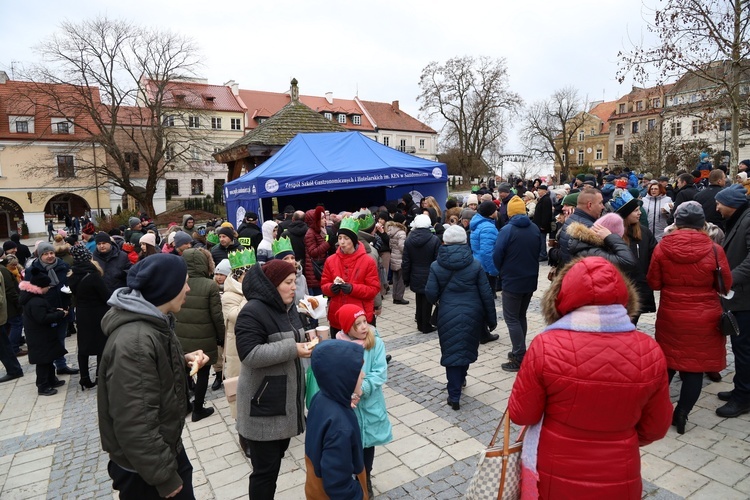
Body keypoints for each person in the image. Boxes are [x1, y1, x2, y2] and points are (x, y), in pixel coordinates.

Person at [509, 257, 672, 498]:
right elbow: (656, 427)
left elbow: (522, 413)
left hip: (555, 467)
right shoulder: (649, 350)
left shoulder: (546, 345)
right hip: (620, 471)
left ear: (561, 295)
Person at [98, 253, 209, 499]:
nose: (189, 289)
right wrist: (164, 477)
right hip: (145, 471)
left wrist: (182, 360)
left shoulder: (152, 323)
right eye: (185, 283)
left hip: (163, 451)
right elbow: (135, 422)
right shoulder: (135, 341)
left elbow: (147, 377)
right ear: (166, 288)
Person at [647, 201, 731, 432]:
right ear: (702, 223)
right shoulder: (715, 250)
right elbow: (725, 286)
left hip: (672, 314)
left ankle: (657, 411)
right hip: (705, 316)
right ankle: (681, 414)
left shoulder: (662, 247)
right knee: (694, 367)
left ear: (677, 222)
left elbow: (653, 282)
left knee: (667, 363)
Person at [235, 259, 311, 498]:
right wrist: (294, 349)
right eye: (288, 282)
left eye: (294, 282)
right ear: (272, 284)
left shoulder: (287, 306)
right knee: (265, 472)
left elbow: (295, 337)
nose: (293, 287)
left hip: (283, 401)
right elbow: (249, 354)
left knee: (274, 464)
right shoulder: (252, 311)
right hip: (263, 406)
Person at [425, 225, 496, 409]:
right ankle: (461, 379)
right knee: (465, 348)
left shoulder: (435, 266)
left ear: (444, 242)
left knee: (452, 351)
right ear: (465, 241)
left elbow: (431, 294)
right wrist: (491, 319)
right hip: (473, 313)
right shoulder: (475, 264)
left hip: (447, 313)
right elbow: (486, 293)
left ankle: (454, 395)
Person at [334, 304, 393, 497]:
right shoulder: (339, 345)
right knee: (350, 443)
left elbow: (379, 371)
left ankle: (365, 476)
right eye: (357, 324)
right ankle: (353, 476)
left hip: (368, 404)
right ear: (346, 328)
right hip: (348, 406)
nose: (363, 327)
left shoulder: (375, 342)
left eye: (364, 321)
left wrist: (362, 389)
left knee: (367, 443)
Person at [304, 340, 368, 499]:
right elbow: (338, 484)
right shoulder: (339, 426)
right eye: (358, 371)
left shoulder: (321, 398)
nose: (363, 374)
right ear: (343, 376)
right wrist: (358, 495)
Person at [174, 248, 225, 422]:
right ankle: (198, 409)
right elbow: (217, 316)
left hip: (181, 335)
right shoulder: (209, 284)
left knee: (184, 369)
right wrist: (222, 337)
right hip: (205, 336)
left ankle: (185, 406)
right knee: (203, 372)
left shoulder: (178, 282)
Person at [493, 196, 542, 372]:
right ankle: (519, 350)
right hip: (530, 279)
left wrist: (501, 271)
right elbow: (539, 251)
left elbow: (497, 255)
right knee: (520, 316)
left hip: (512, 280)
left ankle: (519, 355)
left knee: (512, 318)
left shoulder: (507, 230)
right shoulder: (534, 228)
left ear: (510, 213)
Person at [715, 184, 750, 418]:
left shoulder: (748, 220)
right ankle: (741, 387)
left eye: (719, 203)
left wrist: (729, 279)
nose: (716, 207)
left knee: (744, 349)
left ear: (731, 205)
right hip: (740, 297)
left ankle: (743, 397)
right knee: (741, 348)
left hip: (745, 298)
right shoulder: (742, 218)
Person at [321, 217, 381, 336]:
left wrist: (353, 289)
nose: (341, 242)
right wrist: (331, 288)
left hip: (360, 317)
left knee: (363, 352)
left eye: (346, 238)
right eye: (339, 238)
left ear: (353, 241)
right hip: (338, 316)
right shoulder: (330, 260)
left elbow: (373, 289)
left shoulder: (367, 261)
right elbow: (324, 285)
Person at [25, 241, 77, 374]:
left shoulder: (62, 266)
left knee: (60, 338)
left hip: (63, 307)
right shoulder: (33, 270)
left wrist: (69, 292)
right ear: (40, 255)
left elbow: (69, 282)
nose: (49, 256)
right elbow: (29, 290)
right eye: (46, 254)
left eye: (51, 252)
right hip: (44, 310)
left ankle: (61, 365)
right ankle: (49, 369)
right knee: (48, 341)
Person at [610, 192, 657, 326]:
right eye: (635, 210)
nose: (639, 213)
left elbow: (654, 254)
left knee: (632, 323)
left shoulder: (644, 232)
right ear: (625, 214)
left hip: (639, 286)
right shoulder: (613, 235)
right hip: (619, 288)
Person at [20, 268, 69, 395]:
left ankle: (51, 380)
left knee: (49, 359)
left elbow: (44, 312)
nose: (49, 288)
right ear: (41, 287)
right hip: (39, 336)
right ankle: (43, 386)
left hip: (42, 335)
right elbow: (42, 318)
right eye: (47, 286)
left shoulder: (34, 298)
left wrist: (54, 310)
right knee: (43, 362)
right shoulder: (36, 301)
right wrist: (59, 314)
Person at [68, 244, 109, 390]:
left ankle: (84, 377)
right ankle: (99, 375)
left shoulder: (72, 275)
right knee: (101, 344)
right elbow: (106, 296)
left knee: (83, 346)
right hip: (98, 313)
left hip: (82, 313)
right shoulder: (93, 275)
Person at [402, 214, 440, 333]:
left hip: (415, 274)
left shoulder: (408, 240)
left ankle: (420, 323)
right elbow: (437, 259)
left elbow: (406, 261)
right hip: (430, 273)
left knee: (419, 299)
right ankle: (426, 325)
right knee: (428, 301)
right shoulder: (434, 240)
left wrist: (405, 277)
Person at [557, 189, 605, 265]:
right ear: (589, 205)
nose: (603, 207)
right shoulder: (588, 227)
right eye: (600, 203)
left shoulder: (571, 219)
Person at [470, 200, 500, 296]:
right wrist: (493, 271)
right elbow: (487, 252)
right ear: (491, 213)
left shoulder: (479, 223)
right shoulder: (488, 228)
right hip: (486, 269)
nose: (497, 211)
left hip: (478, 264)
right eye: (495, 210)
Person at [304, 207, 331, 296]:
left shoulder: (321, 231)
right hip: (314, 272)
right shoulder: (310, 233)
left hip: (321, 267)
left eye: (324, 218)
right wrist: (327, 244)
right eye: (322, 218)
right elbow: (312, 252)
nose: (325, 220)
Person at [385, 214, 409, 305]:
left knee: (395, 279)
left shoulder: (391, 231)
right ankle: (399, 297)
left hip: (393, 256)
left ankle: (395, 297)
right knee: (401, 279)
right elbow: (402, 246)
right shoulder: (401, 232)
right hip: (400, 258)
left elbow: (391, 245)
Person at [533, 185, 553, 260]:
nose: (538, 192)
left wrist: (544, 225)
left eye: (540, 190)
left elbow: (546, 213)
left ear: (544, 191)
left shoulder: (546, 199)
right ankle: (541, 253)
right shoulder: (542, 199)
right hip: (539, 224)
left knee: (542, 239)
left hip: (542, 225)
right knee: (540, 239)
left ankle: (543, 254)